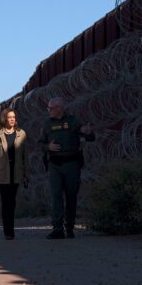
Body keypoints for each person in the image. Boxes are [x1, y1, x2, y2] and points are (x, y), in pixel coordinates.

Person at [41, 97, 95, 239]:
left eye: (51, 108)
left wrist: (88, 132)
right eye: (48, 108)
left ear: (59, 108)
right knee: (56, 196)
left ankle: (69, 227)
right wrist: (48, 147)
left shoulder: (72, 121)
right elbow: (40, 143)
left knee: (71, 196)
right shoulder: (47, 124)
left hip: (71, 163)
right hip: (55, 165)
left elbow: (89, 136)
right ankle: (57, 228)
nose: (49, 111)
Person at [0, 108, 28, 240]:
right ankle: (8, 232)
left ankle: (11, 229)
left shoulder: (21, 134)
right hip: (2, 173)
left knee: (12, 202)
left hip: (16, 173)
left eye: (14, 117)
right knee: (6, 202)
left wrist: (27, 174)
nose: (12, 119)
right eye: (9, 117)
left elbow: (25, 156)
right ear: (4, 119)